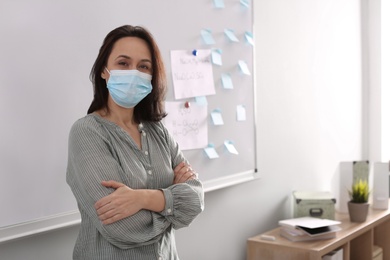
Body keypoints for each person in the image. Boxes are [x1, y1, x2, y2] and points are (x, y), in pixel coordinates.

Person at [66, 25, 204, 260]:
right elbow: (121, 227)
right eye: (123, 63)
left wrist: (142, 199)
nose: (134, 72)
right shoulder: (87, 132)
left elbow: (195, 200)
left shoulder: (157, 129)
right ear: (103, 70)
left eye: (143, 66)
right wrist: (171, 202)